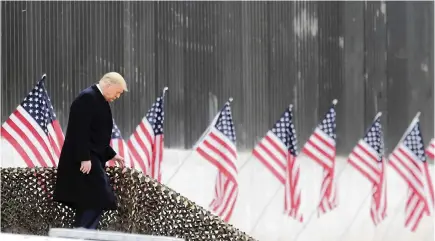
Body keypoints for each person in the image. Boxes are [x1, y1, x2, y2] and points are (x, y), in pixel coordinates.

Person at [53, 72, 128, 229]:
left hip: (90, 157)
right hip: (83, 160)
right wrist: (84, 157)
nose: (118, 96)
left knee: (88, 202)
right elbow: (78, 130)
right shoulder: (87, 98)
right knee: (97, 197)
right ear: (109, 85)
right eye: (118, 91)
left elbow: (96, 135)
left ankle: (81, 234)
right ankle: (82, 234)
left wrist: (112, 154)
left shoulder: (99, 99)